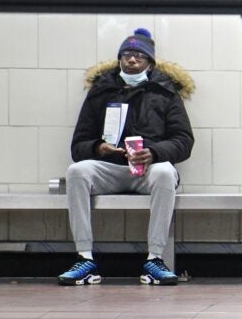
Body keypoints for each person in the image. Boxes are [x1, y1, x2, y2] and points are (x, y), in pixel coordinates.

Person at [58, 28, 195, 286]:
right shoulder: (101, 91)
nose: (132, 60)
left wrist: (154, 153)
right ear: (119, 59)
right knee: (77, 171)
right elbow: (78, 145)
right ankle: (85, 258)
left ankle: (154, 259)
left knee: (166, 172)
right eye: (127, 55)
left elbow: (184, 141)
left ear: (150, 63)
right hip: (111, 170)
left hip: (148, 171)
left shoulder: (166, 93)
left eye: (139, 57)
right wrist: (99, 148)